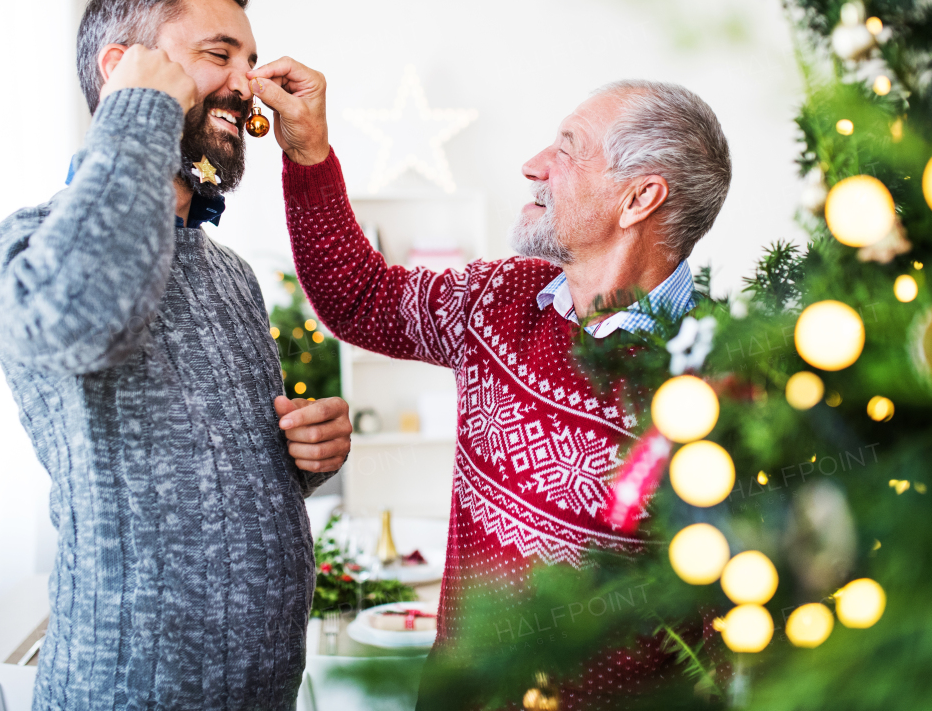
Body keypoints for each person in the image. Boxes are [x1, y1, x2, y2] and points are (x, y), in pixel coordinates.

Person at [256, 60, 732, 707]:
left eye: (566, 150)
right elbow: (358, 296)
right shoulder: (500, 298)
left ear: (639, 198)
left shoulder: (719, 381)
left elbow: (747, 615)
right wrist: (309, 153)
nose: (533, 165)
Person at [0, 0, 351, 711]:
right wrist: (138, 111)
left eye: (249, 60)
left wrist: (302, 459)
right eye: (219, 55)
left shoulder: (232, 275)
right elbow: (85, 321)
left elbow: (205, 477)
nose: (246, 85)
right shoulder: (29, 242)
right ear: (124, 72)